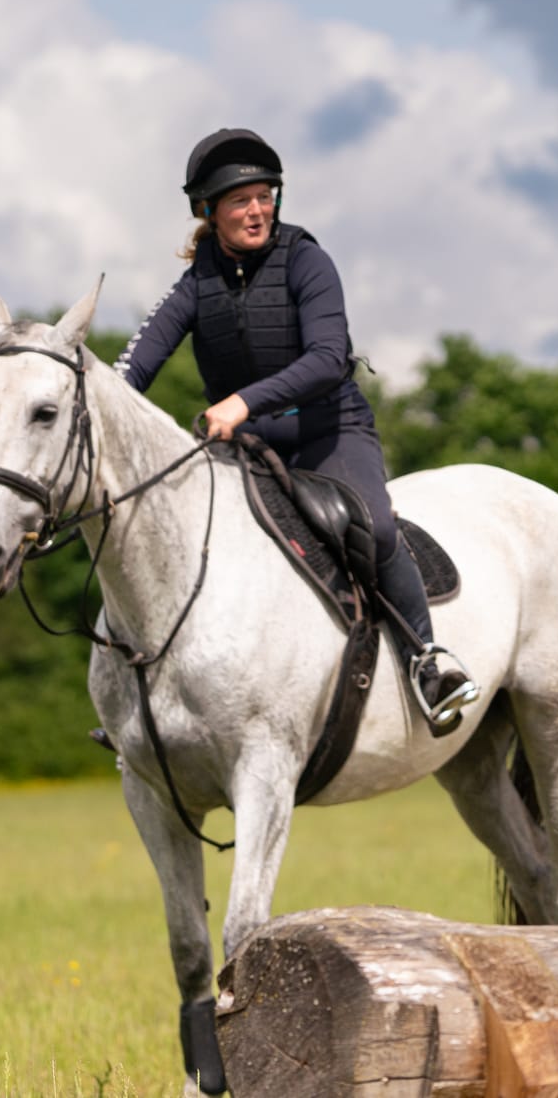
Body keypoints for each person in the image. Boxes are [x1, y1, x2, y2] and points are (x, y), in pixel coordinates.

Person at [115, 128, 479, 729]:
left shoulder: (306, 260)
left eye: (265, 197)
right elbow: (138, 362)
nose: (257, 210)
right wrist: (98, 396)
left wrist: (241, 403)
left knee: (374, 526)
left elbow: (328, 358)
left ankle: (427, 659)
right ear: (208, 211)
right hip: (248, 447)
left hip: (329, 432)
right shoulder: (196, 283)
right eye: (241, 201)